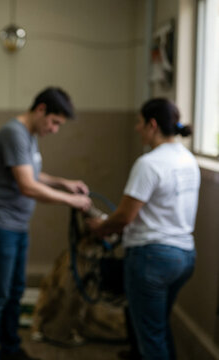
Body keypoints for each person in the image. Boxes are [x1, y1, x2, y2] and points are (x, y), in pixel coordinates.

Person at [0, 87, 92, 360]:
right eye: (54, 122)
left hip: (16, 226)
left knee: (14, 291)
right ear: (41, 110)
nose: (54, 129)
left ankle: (11, 349)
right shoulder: (14, 133)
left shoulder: (28, 135)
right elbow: (27, 186)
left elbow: (31, 171)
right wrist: (69, 200)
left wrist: (64, 183)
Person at [87, 98, 199, 360]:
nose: (136, 129)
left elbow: (125, 216)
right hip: (184, 257)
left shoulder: (149, 163)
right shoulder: (187, 159)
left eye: (139, 123)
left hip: (152, 259)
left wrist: (100, 226)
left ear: (152, 124)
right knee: (158, 327)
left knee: (150, 336)